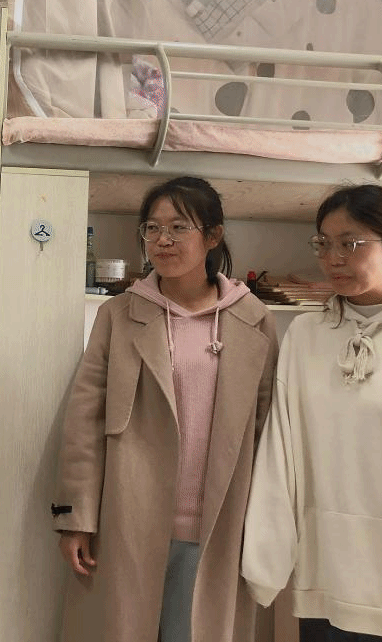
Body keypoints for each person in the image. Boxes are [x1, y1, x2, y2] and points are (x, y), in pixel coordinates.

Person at [52, 176, 279, 642]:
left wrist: (268, 524)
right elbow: (85, 420)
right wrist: (75, 518)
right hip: (128, 520)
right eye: (152, 228)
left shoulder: (253, 318)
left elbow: (267, 432)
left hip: (220, 526)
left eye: (178, 227)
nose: (162, 240)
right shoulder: (119, 314)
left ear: (212, 236)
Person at [242, 184, 382, 642]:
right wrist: (265, 562)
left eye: (351, 244)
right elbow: (280, 454)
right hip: (328, 577)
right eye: (324, 243)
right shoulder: (305, 336)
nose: (333, 258)